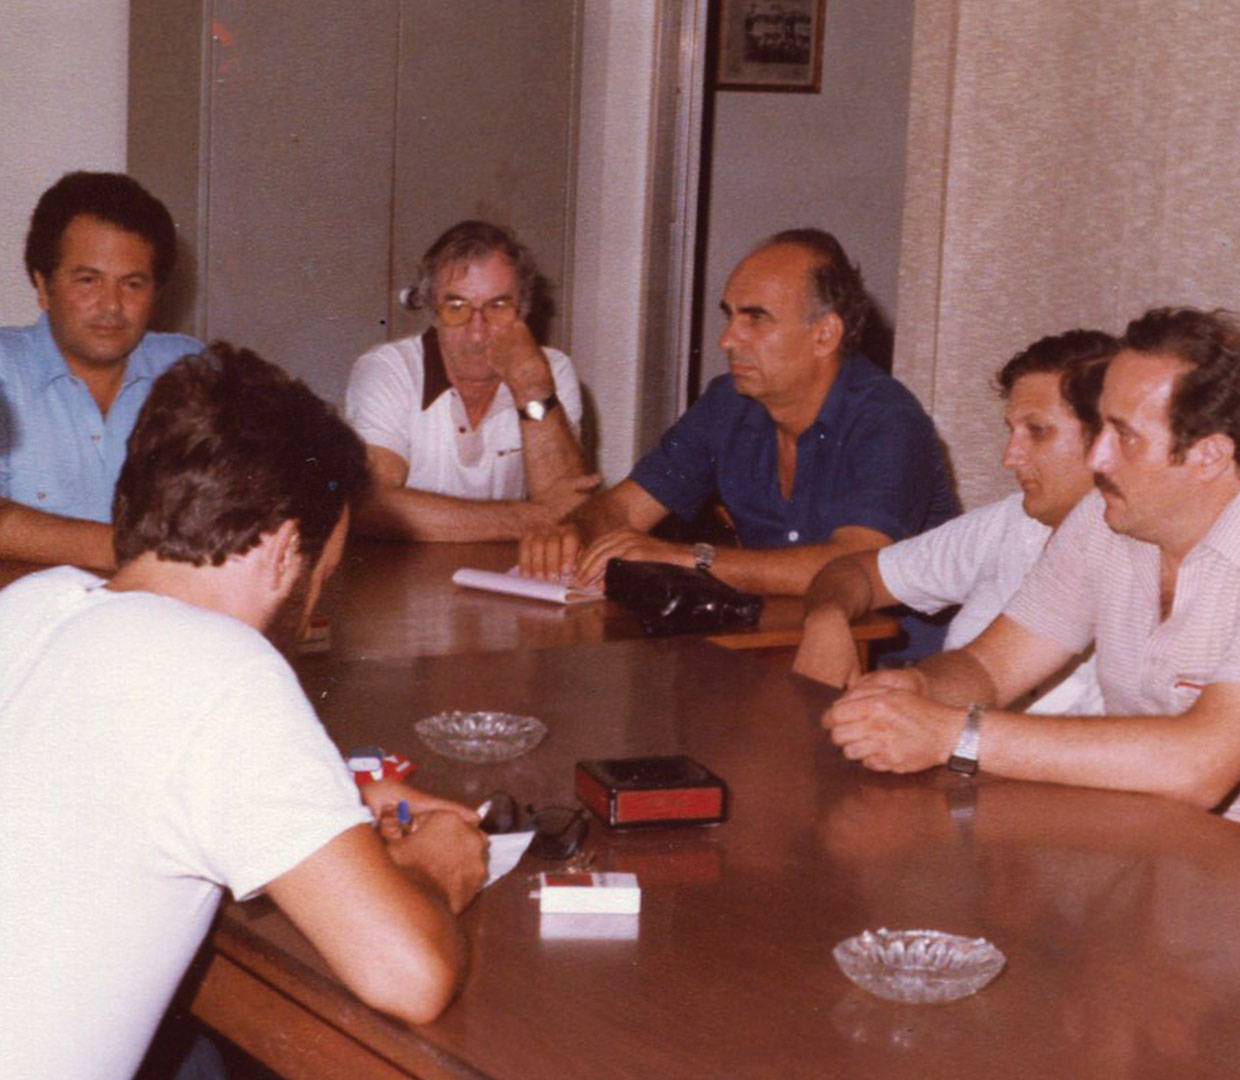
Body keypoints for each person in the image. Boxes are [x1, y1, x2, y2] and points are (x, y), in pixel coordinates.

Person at [0, 345, 488, 1078]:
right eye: (323, 574)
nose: (314, 603)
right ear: (286, 551)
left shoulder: (31, 603)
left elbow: (99, 781)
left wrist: (339, 800)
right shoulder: (226, 671)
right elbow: (408, 974)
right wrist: (436, 867)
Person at [821, 307, 1240, 872]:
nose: (1097, 457)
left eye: (1124, 436)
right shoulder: (1106, 522)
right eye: (1100, 425)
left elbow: (1198, 764)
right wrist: (918, 689)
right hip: (1168, 857)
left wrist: (951, 734)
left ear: (1209, 455)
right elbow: (989, 667)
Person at [518, 228, 958, 603]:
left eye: (756, 319)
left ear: (825, 335)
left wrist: (687, 558)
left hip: (891, 659)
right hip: (773, 637)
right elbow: (623, 508)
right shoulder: (727, 403)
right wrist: (572, 532)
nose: (727, 340)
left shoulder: (889, 421)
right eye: (730, 316)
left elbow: (855, 564)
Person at [794, 328, 1115, 713]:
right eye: (1011, 431)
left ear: (1109, 438)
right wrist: (827, 618)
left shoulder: (1139, 556)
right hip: (956, 738)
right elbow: (856, 572)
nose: (1010, 457)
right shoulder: (1010, 523)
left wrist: (940, 722)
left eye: (1037, 431)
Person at [345, 220, 597, 540]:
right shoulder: (389, 370)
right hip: (406, 568)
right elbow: (372, 505)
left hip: (506, 568)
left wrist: (531, 386)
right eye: (456, 307)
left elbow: (569, 507)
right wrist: (535, 518)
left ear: (523, 311)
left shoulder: (551, 371)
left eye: (498, 306)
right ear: (433, 312)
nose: (477, 333)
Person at [0, 171, 202, 569]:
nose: (111, 305)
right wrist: (141, 553)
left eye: (133, 284)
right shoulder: (6, 371)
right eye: (88, 280)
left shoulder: (190, 370)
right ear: (43, 286)